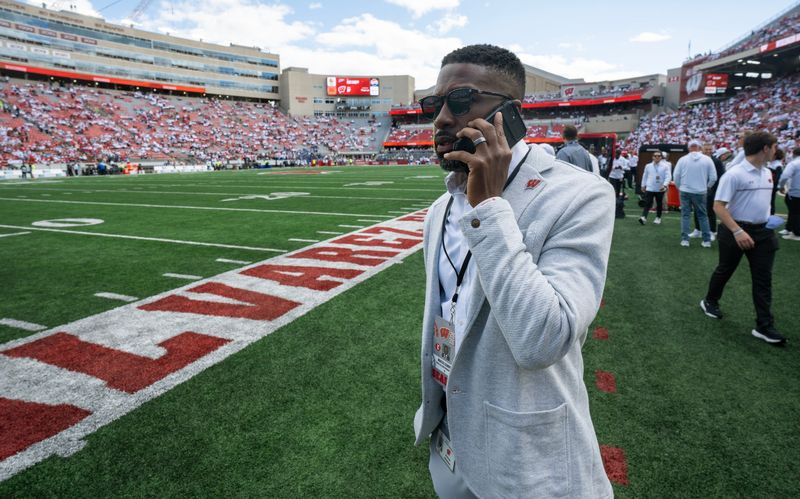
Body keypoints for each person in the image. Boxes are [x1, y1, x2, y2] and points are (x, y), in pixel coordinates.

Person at [415, 44, 614, 498]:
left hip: (527, 460)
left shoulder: (579, 195)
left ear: (510, 114)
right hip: (450, 441)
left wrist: (488, 207)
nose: (441, 118)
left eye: (461, 101)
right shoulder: (440, 208)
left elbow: (542, 339)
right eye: (434, 103)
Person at [700, 131, 785, 345]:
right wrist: (738, 231)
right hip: (734, 230)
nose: (776, 150)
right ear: (765, 148)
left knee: (763, 279)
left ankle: (764, 325)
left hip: (763, 232)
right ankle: (710, 301)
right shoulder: (734, 174)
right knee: (725, 269)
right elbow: (718, 206)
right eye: (774, 146)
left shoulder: (767, 172)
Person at [673, 140, 717, 247]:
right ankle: (706, 241)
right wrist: (706, 187)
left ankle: (685, 240)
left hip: (685, 190)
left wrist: (680, 187)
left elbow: (676, 176)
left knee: (685, 215)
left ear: (689, 148)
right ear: (700, 147)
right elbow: (713, 178)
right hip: (700, 191)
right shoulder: (707, 159)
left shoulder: (682, 159)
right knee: (703, 216)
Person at [638, 150, 671, 224]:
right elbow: (645, 176)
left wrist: (665, 185)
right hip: (650, 187)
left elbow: (668, 176)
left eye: (658, 156)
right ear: (652, 157)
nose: (657, 157)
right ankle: (643, 217)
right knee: (647, 203)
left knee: (659, 203)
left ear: (661, 157)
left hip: (660, 188)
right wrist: (643, 185)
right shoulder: (648, 166)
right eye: (655, 156)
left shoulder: (665, 166)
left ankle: (658, 218)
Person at [778, 147, 800, 240]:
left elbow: (784, 176)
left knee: (795, 212)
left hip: (795, 191)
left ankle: (797, 233)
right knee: (794, 212)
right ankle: (789, 228)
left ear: (794, 154)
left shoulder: (794, 163)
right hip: (795, 191)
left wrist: (781, 186)